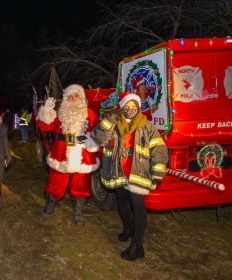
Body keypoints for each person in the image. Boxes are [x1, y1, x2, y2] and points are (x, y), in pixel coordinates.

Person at [89, 92, 168, 261]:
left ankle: (137, 246)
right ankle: (128, 229)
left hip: (138, 171)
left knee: (138, 204)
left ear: (138, 108)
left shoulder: (147, 126)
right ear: (122, 107)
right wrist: (109, 120)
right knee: (122, 200)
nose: (130, 109)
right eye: (127, 106)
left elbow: (159, 148)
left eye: (134, 106)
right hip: (118, 170)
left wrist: (158, 170)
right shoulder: (113, 122)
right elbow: (97, 139)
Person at [37, 84, 100, 224]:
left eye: (75, 96)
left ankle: (78, 211)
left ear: (81, 98)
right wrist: (46, 111)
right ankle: (49, 206)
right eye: (69, 96)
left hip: (83, 156)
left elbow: (98, 134)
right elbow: (44, 126)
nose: (72, 99)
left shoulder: (89, 114)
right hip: (61, 155)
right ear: (65, 99)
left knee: (81, 186)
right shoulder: (60, 114)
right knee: (56, 183)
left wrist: (92, 143)